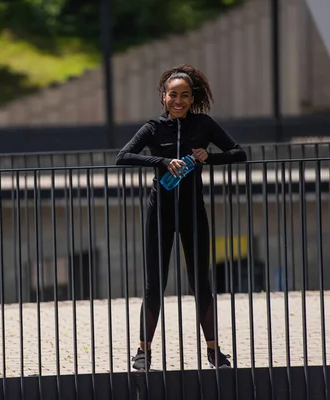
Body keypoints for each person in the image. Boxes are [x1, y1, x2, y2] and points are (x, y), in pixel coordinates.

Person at [115, 64, 247, 370]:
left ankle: (214, 352)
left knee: (201, 283)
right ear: (163, 96)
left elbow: (239, 152)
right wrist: (161, 161)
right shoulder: (152, 128)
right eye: (173, 94)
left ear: (192, 98)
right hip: (159, 213)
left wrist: (208, 156)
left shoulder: (203, 125)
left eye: (185, 95)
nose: (179, 100)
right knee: (154, 286)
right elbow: (123, 156)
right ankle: (143, 353)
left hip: (193, 214)